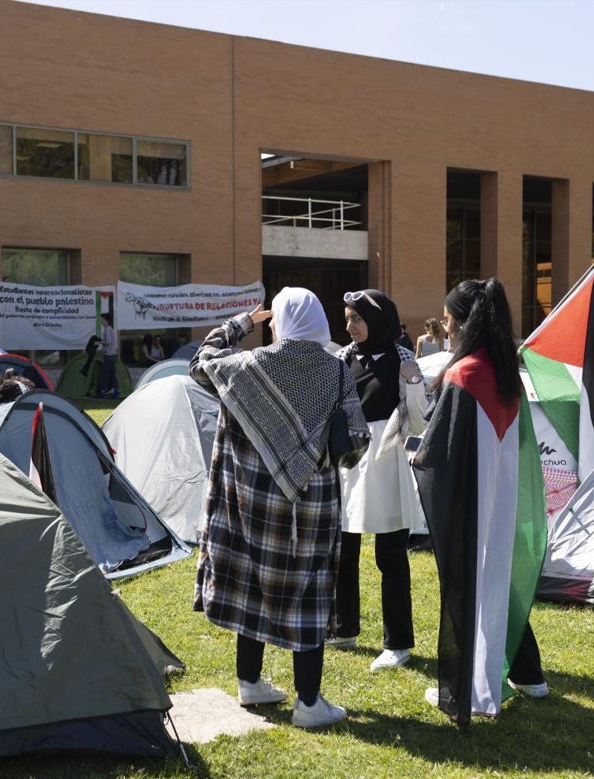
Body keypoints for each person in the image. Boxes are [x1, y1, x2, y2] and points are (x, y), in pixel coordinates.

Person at [189, 287, 369, 729]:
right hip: (309, 509)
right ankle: (308, 703)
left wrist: (241, 324)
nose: (268, 327)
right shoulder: (336, 371)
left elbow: (200, 362)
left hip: (249, 504)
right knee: (307, 590)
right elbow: (357, 441)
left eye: (272, 322)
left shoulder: (246, 367)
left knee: (252, 579)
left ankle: (249, 682)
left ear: (281, 321)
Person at [410, 278, 548, 727]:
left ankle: (466, 691)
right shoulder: (502, 367)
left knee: (468, 589)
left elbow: (438, 450)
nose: (445, 330)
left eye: (449, 322)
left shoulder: (462, 373)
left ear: (465, 323)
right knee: (494, 584)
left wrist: (415, 454)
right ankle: (512, 676)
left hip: (470, 501)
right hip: (502, 498)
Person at [330, 290, 429, 671]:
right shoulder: (343, 359)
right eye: (347, 318)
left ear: (377, 320)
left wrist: (416, 381)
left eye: (356, 318)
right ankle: (343, 627)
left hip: (387, 464)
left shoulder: (403, 358)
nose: (349, 326)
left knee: (391, 556)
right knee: (343, 551)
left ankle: (398, 642)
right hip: (349, 464)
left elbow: (419, 422)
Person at [96, 312, 119, 398]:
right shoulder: (110, 329)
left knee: (105, 374)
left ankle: (103, 391)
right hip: (113, 355)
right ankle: (115, 390)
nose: (101, 321)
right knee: (112, 374)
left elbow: (108, 342)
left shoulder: (107, 330)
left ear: (107, 320)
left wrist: (98, 342)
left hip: (109, 355)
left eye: (102, 319)